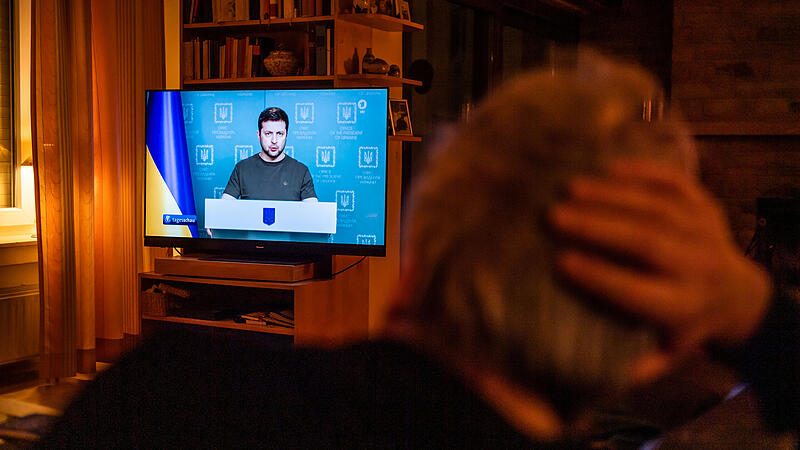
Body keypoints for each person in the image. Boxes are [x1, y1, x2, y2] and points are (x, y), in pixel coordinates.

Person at [40, 54, 798, 448]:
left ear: (418, 252)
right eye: (266, 131)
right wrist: (754, 312)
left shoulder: (162, 385)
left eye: (278, 131)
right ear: (653, 352)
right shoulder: (239, 172)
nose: (272, 141)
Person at [222, 106, 317, 202]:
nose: (274, 140)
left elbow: (313, 212)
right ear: (259, 135)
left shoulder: (301, 171)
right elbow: (224, 208)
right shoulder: (242, 168)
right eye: (268, 133)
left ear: (286, 135)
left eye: (280, 133)